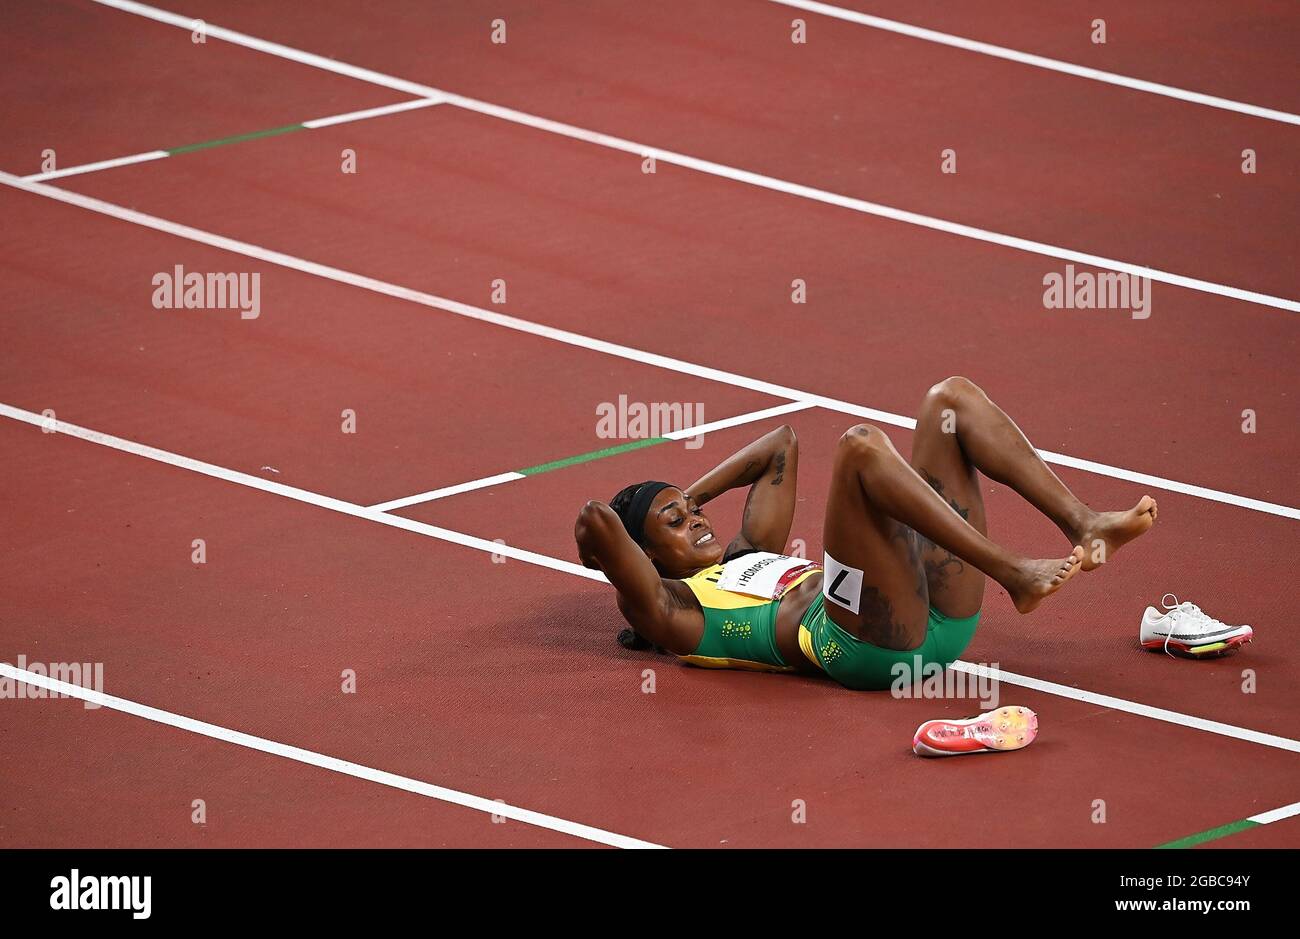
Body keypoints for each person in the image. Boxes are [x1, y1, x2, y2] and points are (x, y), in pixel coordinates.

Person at [574, 377, 1157, 691]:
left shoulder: (746, 553)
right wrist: (599, 547)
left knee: (949, 401)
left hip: (936, 622)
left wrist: (688, 497)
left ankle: (1083, 521)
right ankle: (1011, 572)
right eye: (674, 524)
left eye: (692, 510)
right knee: (858, 448)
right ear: (643, 557)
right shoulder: (673, 611)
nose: (696, 520)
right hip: (862, 650)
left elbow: (779, 443)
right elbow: (597, 520)